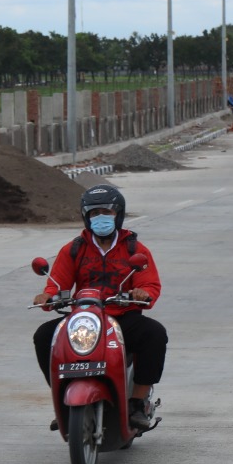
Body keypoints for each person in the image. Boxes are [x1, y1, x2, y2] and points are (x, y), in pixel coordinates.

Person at [32, 184, 168, 429]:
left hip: (123, 317)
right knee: (44, 336)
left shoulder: (135, 249)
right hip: (85, 318)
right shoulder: (73, 249)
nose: (100, 218)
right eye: (94, 213)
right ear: (86, 217)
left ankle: (137, 402)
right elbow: (57, 283)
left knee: (154, 334)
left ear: (118, 215)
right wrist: (48, 296)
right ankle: (62, 397)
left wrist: (143, 293)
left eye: (106, 212)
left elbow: (150, 284)